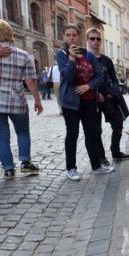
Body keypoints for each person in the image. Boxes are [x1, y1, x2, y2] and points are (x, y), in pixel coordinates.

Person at [0, 20, 43, 178]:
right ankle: (26, 163)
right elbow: (30, 80)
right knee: (23, 132)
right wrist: (37, 101)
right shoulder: (24, 55)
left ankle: (8, 169)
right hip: (15, 99)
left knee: (1, 135)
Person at [55, 24, 114, 181]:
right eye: (68, 35)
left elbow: (99, 75)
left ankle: (96, 165)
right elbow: (67, 77)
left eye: (74, 35)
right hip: (71, 102)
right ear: (64, 36)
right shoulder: (61, 54)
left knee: (92, 133)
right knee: (72, 134)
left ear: (79, 37)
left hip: (88, 100)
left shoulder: (88, 55)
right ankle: (71, 168)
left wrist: (89, 85)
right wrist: (72, 59)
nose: (71, 37)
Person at [86, 28, 129, 161]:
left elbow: (114, 79)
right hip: (92, 98)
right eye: (92, 38)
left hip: (108, 98)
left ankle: (115, 151)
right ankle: (101, 157)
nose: (95, 41)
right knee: (96, 130)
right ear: (87, 40)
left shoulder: (107, 60)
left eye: (98, 39)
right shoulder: (85, 59)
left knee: (118, 124)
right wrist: (95, 93)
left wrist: (113, 92)